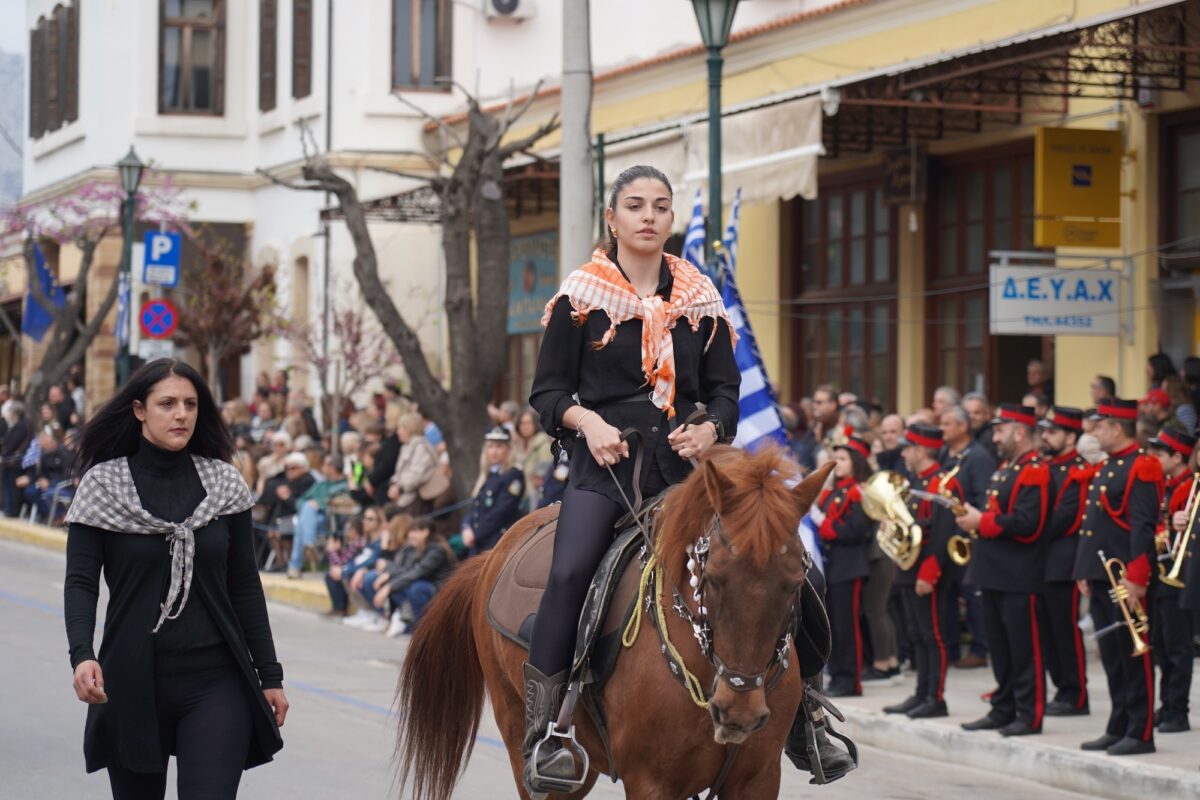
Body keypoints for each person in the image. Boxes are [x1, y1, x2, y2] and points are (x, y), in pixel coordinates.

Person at [524, 165, 741, 794]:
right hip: (608, 467)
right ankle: (546, 731)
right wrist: (588, 423)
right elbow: (548, 393)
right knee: (568, 574)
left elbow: (725, 392)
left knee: (775, 559)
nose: (649, 216)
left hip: (690, 471)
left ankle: (806, 712)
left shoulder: (701, 297)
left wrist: (711, 432)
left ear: (671, 221)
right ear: (612, 219)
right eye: (636, 205)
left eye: (661, 206)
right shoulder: (580, 296)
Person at [62, 359, 287, 799]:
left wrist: (270, 675)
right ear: (140, 410)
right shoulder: (103, 487)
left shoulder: (223, 485)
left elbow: (244, 584)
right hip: (129, 681)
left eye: (190, 403)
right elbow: (81, 582)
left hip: (217, 680)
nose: (181, 413)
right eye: (167, 404)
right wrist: (82, 654)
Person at [1073, 398, 1162, 756]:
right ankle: (1119, 723)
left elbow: (1143, 526)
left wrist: (1139, 577)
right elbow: (1093, 527)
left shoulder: (1142, 466)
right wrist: (1084, 572)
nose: (1094, 432)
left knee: (1133, 654)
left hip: (1127, 575)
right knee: (1111, 654)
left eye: (1099, 425)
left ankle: (1140, 732)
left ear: (1116, 427)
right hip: (1102, 574)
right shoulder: (1109, 467)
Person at [956, 404, 1050, 738]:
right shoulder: (1007, 468)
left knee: (1024, 648)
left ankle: (1029, 713)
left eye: (1000, 430)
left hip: (1019, 572)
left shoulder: (1034, 469)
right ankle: (1004, 707)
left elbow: (1029, 523)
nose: (995, 437)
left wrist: (982, 521)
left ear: (1019, 432)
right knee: (1001, 647)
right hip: (994, 570)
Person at [884, 424, 963, 719]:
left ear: (920, 450)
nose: (904, 453)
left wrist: (929, 575)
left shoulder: (941, 484)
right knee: (916, 634)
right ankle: (921, 693)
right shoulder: (915, 481)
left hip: (927, 572)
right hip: (908, 567)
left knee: (933, 635)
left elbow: (942, 534)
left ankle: (935, 697)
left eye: (907, 448)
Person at [1037, 407, 1093, 717]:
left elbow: (1063, 519)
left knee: (1065, 629)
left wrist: (1029, 523)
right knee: (1048, 630)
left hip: (1064, 559)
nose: (1045, 436)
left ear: (1071, 437)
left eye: (1052, 431)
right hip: (1043, 560)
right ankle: (1061, 688)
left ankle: (1076, 694)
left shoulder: (1078, 470)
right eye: (1044, 430)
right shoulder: (1050, 466)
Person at [813, 434, 873, 698]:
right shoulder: (833, 491)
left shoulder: (859, 492)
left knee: (847, 627)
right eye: (835, 457)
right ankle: (837, 675)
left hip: (849, 567)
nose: (837, 462)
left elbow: (854, 530)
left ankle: (851, 681)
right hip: (831, 566)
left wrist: (822, 523)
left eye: (844, 458)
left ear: (856, 462)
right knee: (833, 625)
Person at [1146, 429, 1195, 733]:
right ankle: (1166, 705)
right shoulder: (1162, 486)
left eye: (1160, 454)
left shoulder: (1189, 488)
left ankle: (1178, 710)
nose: (1153, 459)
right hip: (1160, 574)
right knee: (1161, 646)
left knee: (1177, 647)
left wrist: (1175, 523)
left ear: (1177, 457)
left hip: (1180, 578)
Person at [371, 515, 456, 637]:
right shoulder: (422, 548)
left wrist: (389, 587)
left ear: (426, 532)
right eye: (410, 531)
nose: (410, 535)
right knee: (401, 585)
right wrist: (389, 576)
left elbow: (418, 572)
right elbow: (409, 570)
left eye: (415, 531)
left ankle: (424, 629)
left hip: (442, 592)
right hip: (429, 587)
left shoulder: (436, 550)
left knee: (416, 588)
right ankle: (409, 622)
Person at [451, 426, 525, 556]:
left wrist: (476, 533)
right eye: (490, 446)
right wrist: (467, 527)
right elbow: (476, 507)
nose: (493, 451)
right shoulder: (490, 474)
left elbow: (501, 512)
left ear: (508, 449)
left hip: (498, 542)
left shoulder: (513, 475)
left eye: (499, 447)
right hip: (480, 541)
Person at [286, 453, 349, 579]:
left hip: (332, 522)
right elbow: (300, 502)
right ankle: (308, 545)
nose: (322, 467)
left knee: (303, 520)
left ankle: (295, 565)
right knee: (306, 512)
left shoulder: (344, 485)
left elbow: (343, 505)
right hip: (314, 521)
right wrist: (310, 504)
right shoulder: (321, 485)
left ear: (332, 467)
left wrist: (319, 505)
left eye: (324, 464)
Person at [387, 412, 439, 516]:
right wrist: (393, 485)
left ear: (409, 429)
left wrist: (399, 487)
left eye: (400, 428)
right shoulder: (406, 446)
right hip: (405, 498)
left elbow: (416, 475)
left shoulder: (421, 447)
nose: (398, 432)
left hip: (416, 500)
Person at [323, 514, 366, 618]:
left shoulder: (356, 544)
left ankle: (340, 608)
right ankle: (338, 608)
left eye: (348, 528)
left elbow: (341, 564)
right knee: (332, 573)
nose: (346, 531)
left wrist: (332, 551)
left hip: (354, 572)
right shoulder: (354, 543)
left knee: (331, 575)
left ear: (354, 530)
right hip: (351, 570)